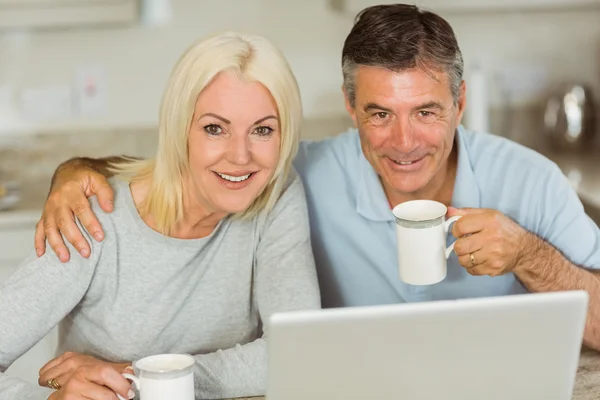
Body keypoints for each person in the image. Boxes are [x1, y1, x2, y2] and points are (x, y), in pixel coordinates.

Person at [37, 4, 600, 351]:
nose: (404, 142)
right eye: (380, 114)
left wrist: (529, 256)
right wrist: (75, 171)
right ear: (351, 108)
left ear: (460, 102)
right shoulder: (296, 175)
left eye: (426, 112)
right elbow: (190, 169)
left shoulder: (532, 182)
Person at [0, 31, 320, 400]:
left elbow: (297, 349)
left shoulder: (276, 194)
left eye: (263, 130)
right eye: (214, 128)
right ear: (178, 130)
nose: (241, 156)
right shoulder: (96, 217)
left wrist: (144, 378)